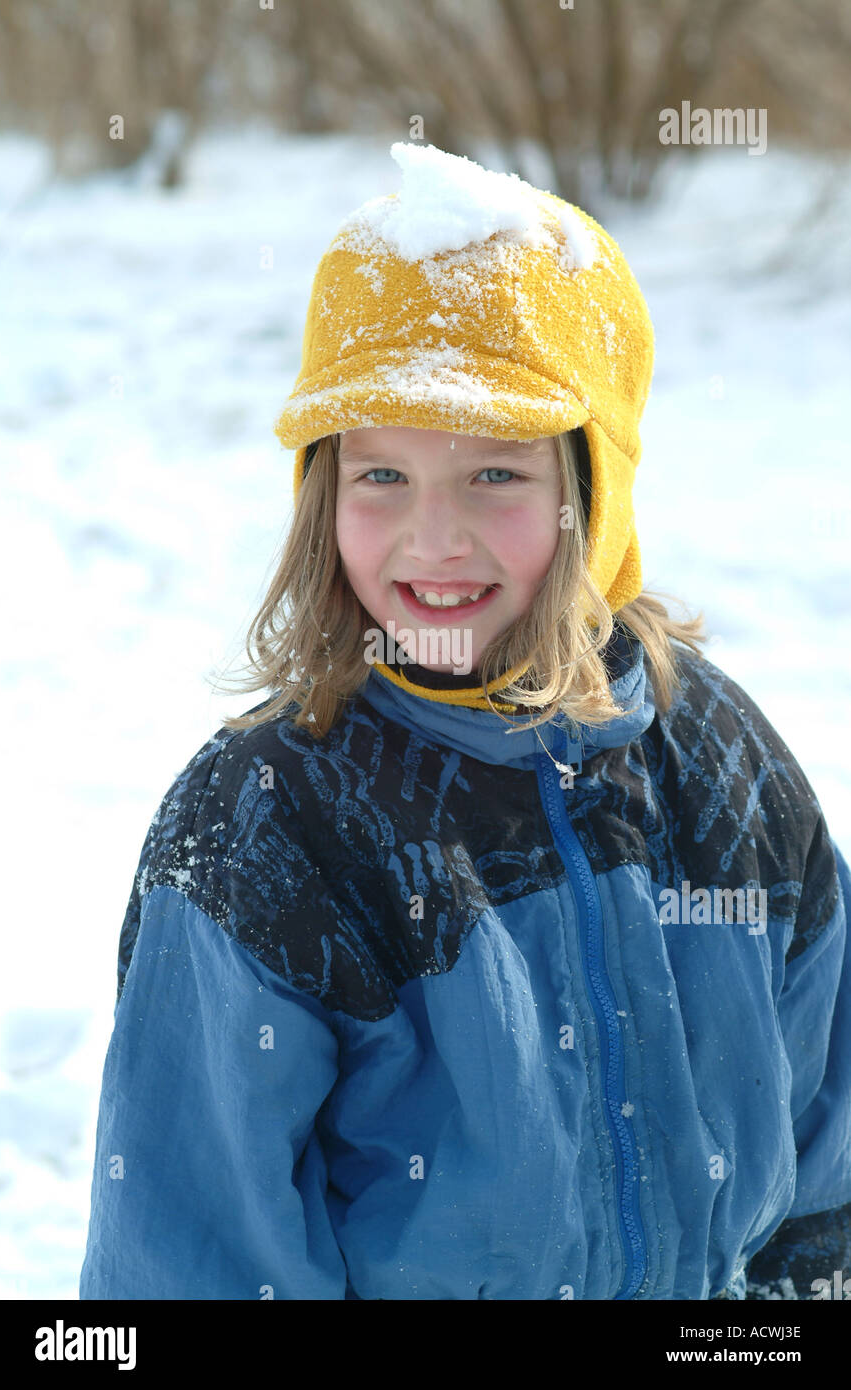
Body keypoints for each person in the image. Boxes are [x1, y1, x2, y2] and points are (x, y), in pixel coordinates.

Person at [79, 142, 851, 1300]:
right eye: (380, 476)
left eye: (494, 474)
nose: (430, 541)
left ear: (591, 493)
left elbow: (822, 1183)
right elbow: (191, 1259)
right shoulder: (266, 824)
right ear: (319, 494)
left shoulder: (715, 762)